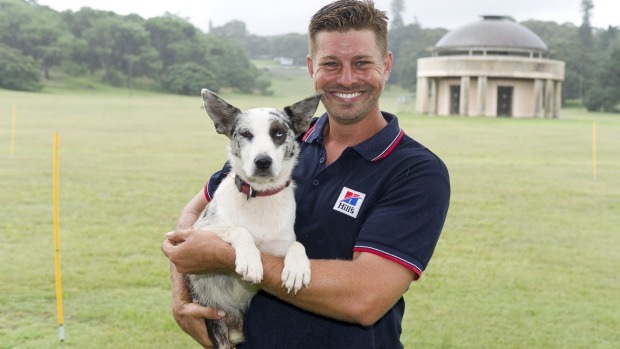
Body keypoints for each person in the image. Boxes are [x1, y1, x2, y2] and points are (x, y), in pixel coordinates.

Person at [161, 0, 450, 347]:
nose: (346, 78)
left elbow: (365, 298)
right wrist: (181, 299)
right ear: (312, 67)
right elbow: (192, 217)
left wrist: (229, 255)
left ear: (386, 66)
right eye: (331, 64)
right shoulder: (277, 146)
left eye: (362, 63)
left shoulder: (416, 171)